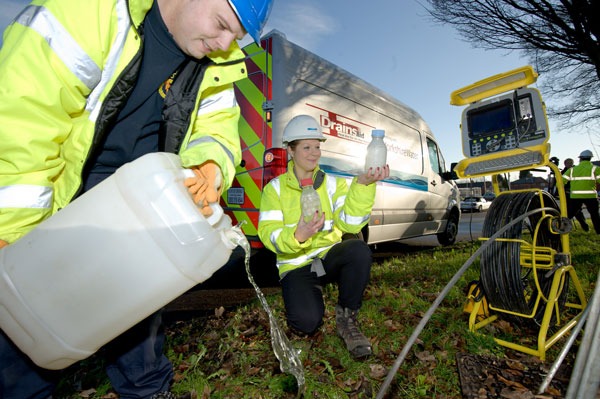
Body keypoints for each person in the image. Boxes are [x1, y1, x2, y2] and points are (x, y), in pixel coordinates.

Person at [0, 0, 273, 397]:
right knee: (27, 321)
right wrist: (13, 232)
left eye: (237, 35)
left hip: (137, 199)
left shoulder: (217, 63)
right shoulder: (87, 13)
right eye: (221, 24)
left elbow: (218, 128)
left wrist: (210, 164)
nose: (226, 42)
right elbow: (22, 124)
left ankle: (148, 390)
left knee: (139, 306)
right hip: (63, 192)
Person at [257, 115, 389, 359]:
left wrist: (363, 185)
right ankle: (309, 296)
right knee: (306, 323)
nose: (314, 153)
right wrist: (297, 235)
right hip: (296, 264)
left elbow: (349, 223)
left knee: (358, 250)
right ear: (290, 150)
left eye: (317, 146)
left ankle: (347, 319)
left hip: (328, 257)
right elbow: (268, 234)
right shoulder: (274, 189)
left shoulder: (332, 183)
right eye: (306, 147)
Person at [562, 150, 600, 234]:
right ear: (590, 158)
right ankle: (599, 231)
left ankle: (561, 229)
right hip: (591, 197)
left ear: (580, 159)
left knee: (569, 214)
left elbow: (561, 182)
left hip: (575, 197)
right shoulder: (595, 169)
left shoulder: (572, 170)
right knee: (595, 215)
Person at [561, 157, 590, 231]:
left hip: (576, 192)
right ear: (565, 164)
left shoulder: (576, 170)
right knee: (571, 210)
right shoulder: (562, 172)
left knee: (576, 210)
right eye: (568, 163)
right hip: (566, 194)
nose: (569, 164)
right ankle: (584, 226)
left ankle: (584, 225)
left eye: (570, 163)